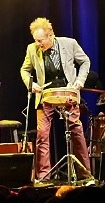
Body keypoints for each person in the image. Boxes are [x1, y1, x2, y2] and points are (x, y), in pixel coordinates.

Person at [20, 17, 93, 181]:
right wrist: (31, 85)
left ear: (50, 35)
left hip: (67, 94)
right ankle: (44, 176)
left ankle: (85, 174)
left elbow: (85, 61)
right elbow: (24, 70)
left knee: (76, 130)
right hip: (46, 96)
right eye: (36, 40)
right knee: (42, 135)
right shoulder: (32, 49)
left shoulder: (69, 43)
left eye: (41, 40)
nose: (38, 43)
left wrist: (79, 82)